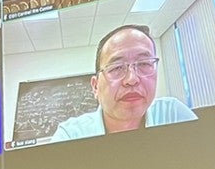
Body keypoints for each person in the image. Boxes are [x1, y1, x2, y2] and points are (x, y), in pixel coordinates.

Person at [51, 24, 196, 141]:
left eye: (144, 64)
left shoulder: (173, 115)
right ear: (95, 86)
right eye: (117, 68)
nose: (132, 79)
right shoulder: (70, 136)